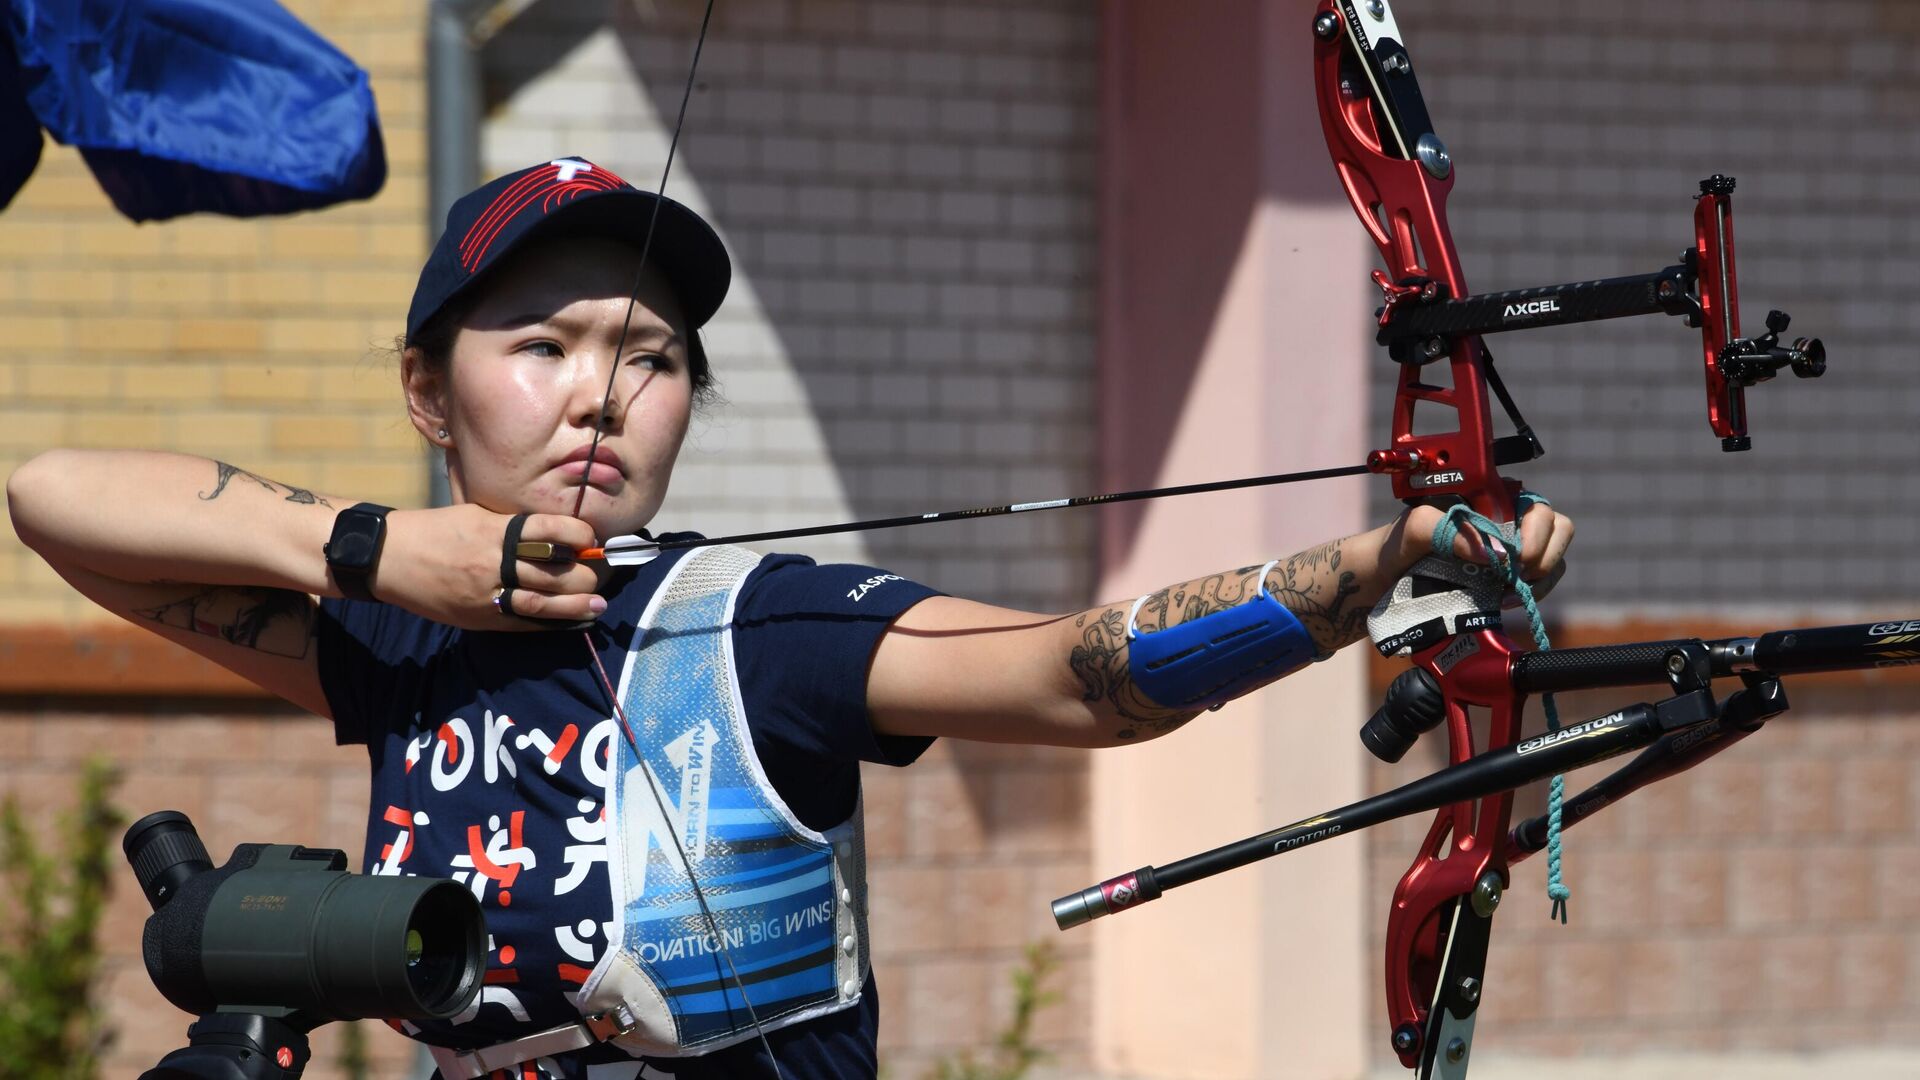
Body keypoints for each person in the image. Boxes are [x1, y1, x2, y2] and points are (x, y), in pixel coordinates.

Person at [5, 157, 1573, 1079]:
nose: (602, 395)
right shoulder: (393, 636)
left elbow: (1086, 676)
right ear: (429, 390)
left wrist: (1364, 571)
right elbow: (55, 497)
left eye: (654, 355)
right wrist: (375, 553)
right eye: (540, 344)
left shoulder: (757, 625)